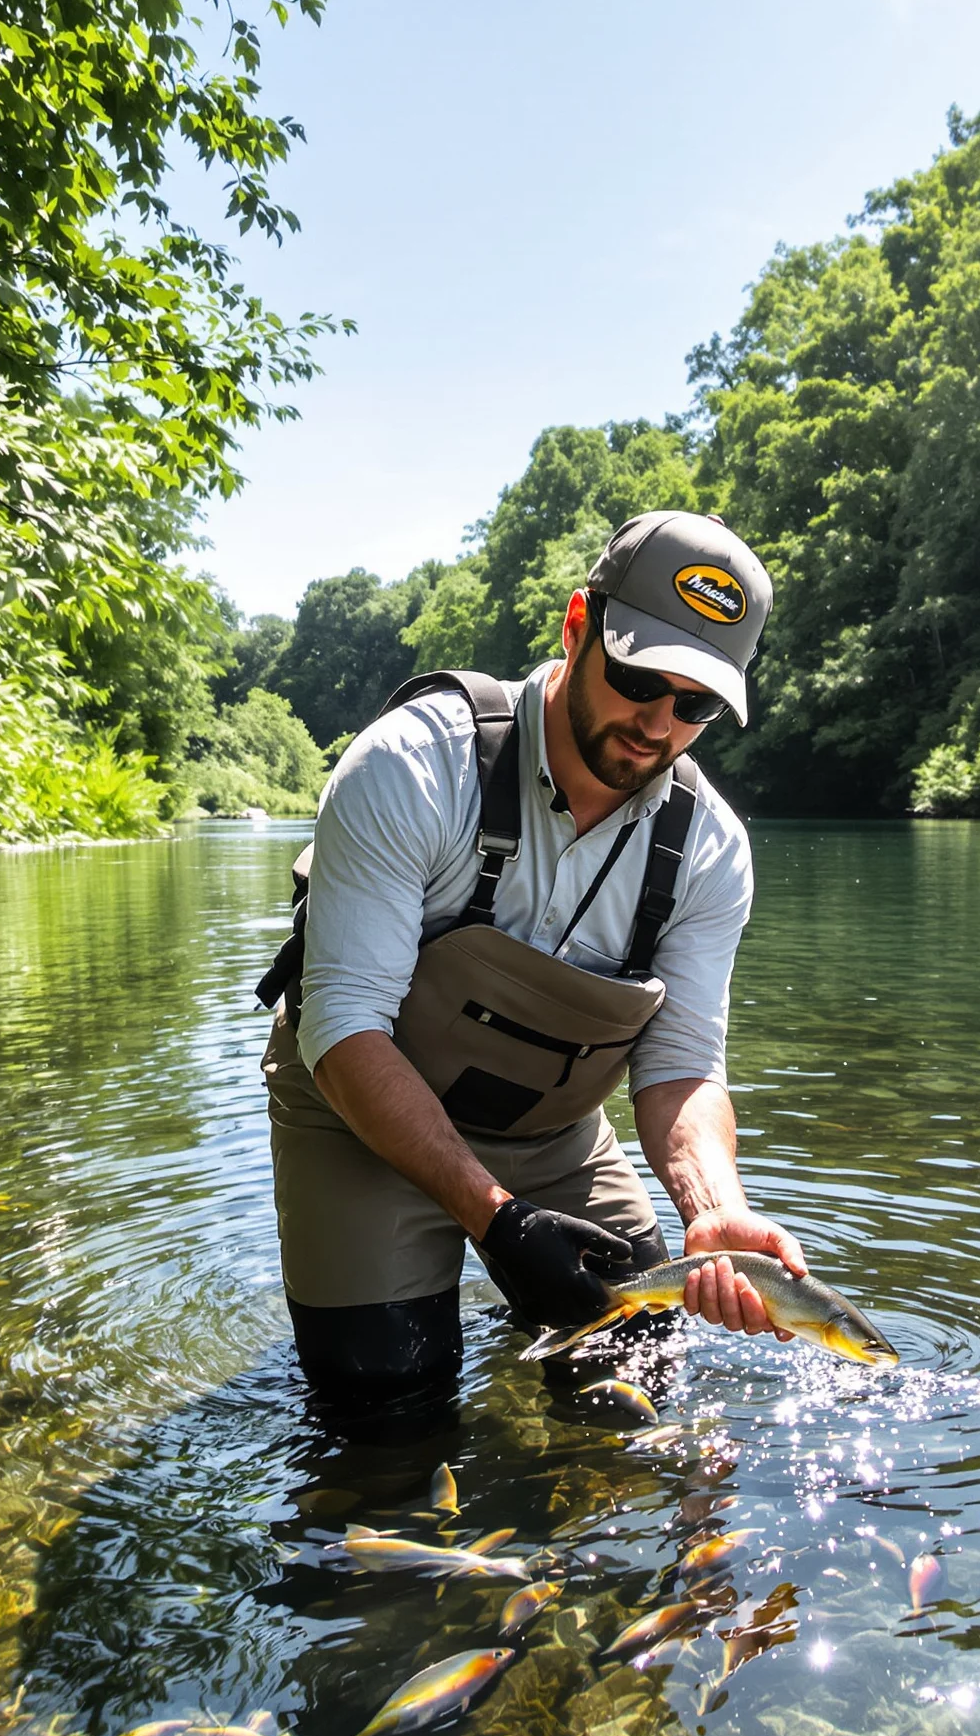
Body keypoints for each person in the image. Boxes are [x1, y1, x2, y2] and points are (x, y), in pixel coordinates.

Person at [257, 510, 808, 1409]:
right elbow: (346, 1026)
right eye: (639, 677)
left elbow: (681, 1065)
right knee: (388, 1400)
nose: (659, 723)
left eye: (696, 704)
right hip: (351, 1106)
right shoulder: (412, 767)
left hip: (549, 1135)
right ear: (577, 626)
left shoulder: (709, 849)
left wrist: (713, 1208)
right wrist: (499, 1221)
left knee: (633, 1372)